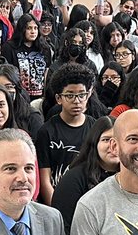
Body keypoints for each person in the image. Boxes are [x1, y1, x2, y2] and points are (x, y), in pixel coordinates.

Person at [37, 62, 95, 203]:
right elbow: (45, 179)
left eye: (82, 95)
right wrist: (57, 211)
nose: (77, 101)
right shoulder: (46, 131)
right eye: (70, 95)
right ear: (58, 99)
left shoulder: (95, 127)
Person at [50, 116, 119, 233]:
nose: (112, 146)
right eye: (106, 140)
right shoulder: (74, 179)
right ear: (94, 143)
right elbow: (64, 227)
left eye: (117, 140)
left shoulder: (131, 177)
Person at [3, 13, 55, 99]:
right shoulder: (9, 48)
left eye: (35, 28)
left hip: (40, 97)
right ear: (22, 29)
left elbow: (46, 74)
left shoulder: (45, 48)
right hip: (19, 97)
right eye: (29, 28)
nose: (33, 31)